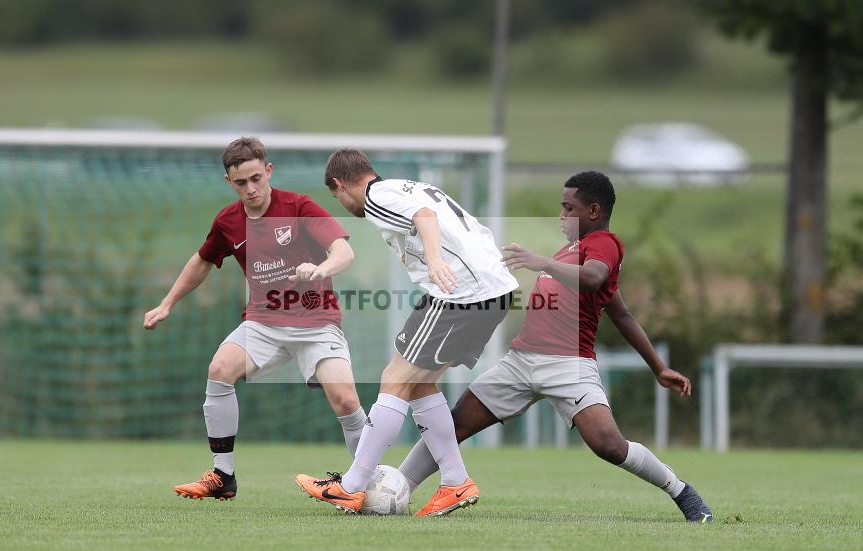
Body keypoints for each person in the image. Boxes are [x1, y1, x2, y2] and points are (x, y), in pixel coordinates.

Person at [396, 171, 714, 523]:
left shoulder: (604, 244)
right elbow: (621, 313)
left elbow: (594, 279)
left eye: (568, 208)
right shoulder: (570, 250)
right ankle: (398, 489)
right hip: (520, 361)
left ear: (594, 211)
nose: (561, 215)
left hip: (568, 365)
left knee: (608, 445)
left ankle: (681, 491)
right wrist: (659, 366)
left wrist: (541, 262)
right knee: (455, 423)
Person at [295, 148, 518, 516]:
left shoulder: (376, 196)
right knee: (417, 385)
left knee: (394, 379)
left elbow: (425, 217)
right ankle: (455, 482)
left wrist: (432, 260)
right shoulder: (405, 187)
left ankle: (350, 487)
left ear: (339, 185)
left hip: (462, 294)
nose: (341, 203)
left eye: (336, 197)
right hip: (488, 291)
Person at [143, 137, 366, 500]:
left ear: (268, 171)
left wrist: (321, 267)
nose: (250, 189)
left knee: (345, 400)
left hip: (316, 320)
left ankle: (362, 485)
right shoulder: (228, 221)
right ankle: (223, 475)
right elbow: (202, 261)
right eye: (240, 182)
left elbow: (344, 250)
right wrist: (168, 302)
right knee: (219, 369)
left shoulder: (297, 206)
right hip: (263, 321)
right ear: (229, 183)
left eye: (255, 179)